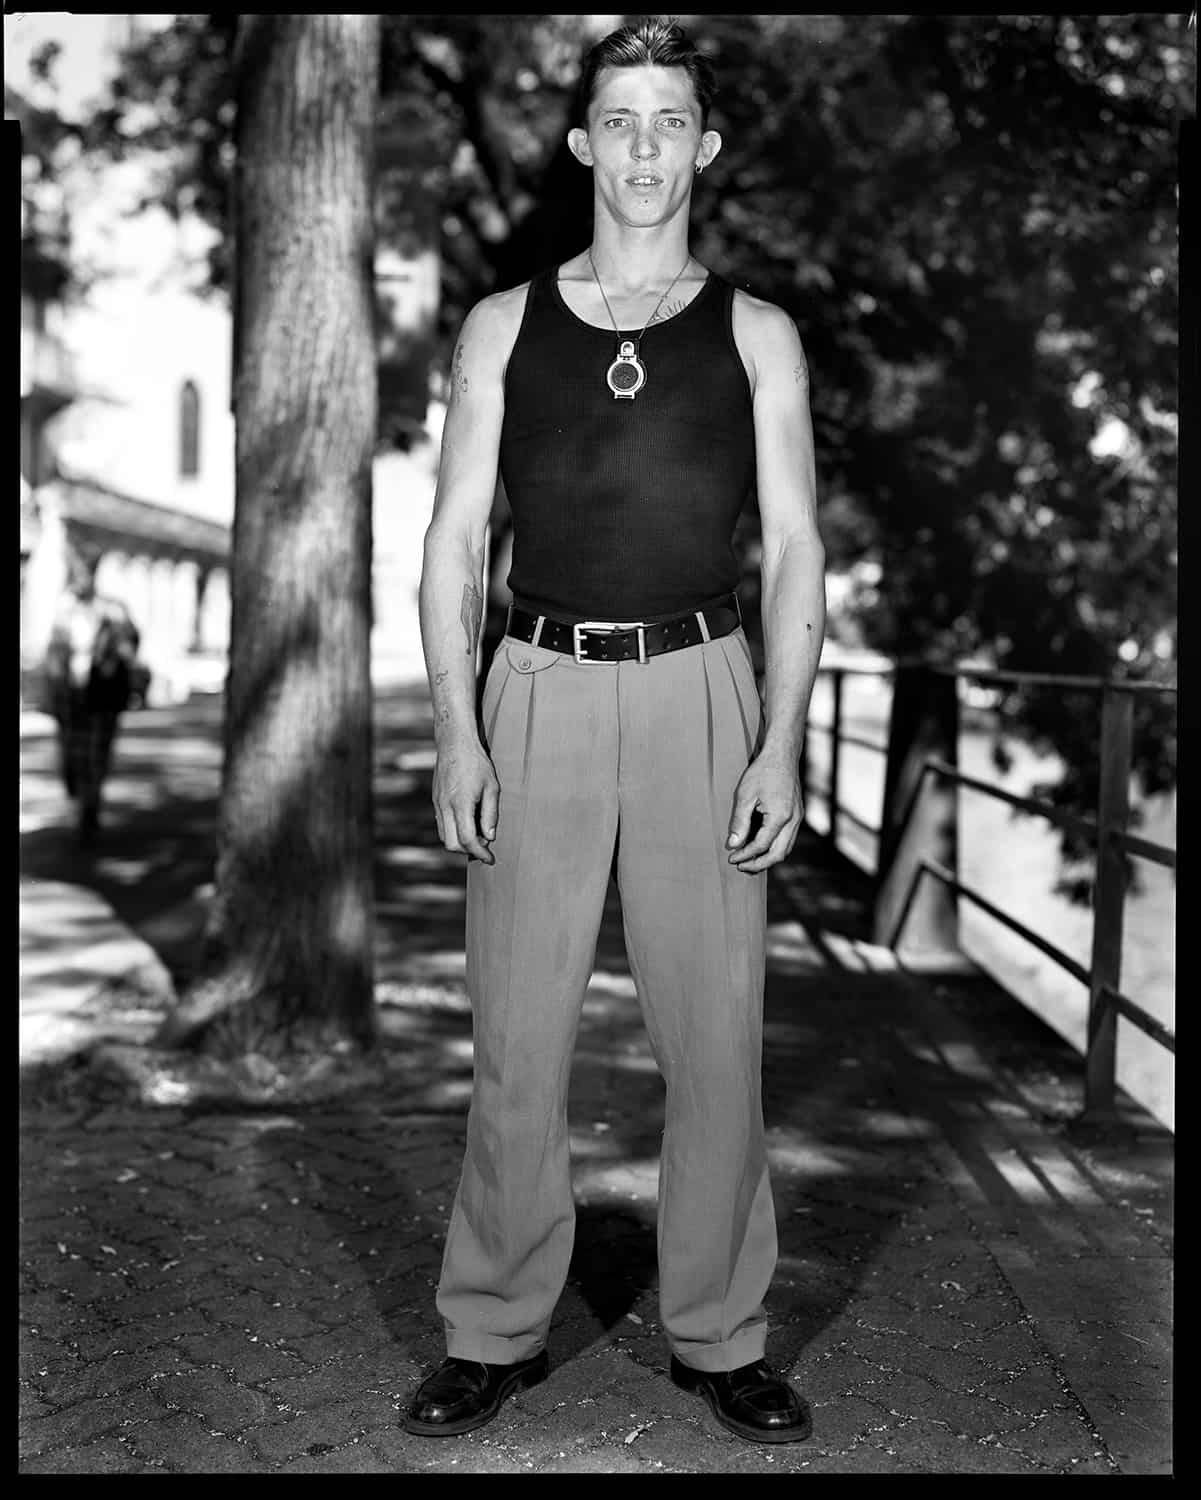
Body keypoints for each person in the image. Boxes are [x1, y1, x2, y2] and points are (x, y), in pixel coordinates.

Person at [408, 18, 826, 1446]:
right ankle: (490, 1327)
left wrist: (779, 741)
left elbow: (797, 551)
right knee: (519, 1044)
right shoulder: (500, 325)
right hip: (535, 688)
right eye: (620, 119)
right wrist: (458, 732)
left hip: (703, 688)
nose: (644, 145)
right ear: (584, 143)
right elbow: (457, 536)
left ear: (702, 146)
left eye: (670, 120)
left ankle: (720, 1336)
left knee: (714, 1042)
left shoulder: (758, 334)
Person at [43, 549, 142, 846]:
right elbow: (53, 653)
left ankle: (90, 809)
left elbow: (132, 641)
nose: (80, 581)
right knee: (71, 759)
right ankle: (81, 796)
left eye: (85, 574)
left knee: (97, 755)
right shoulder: (65, 610)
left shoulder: (112, 609)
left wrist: (116, 653)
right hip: (69, 697)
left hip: (102, 696)